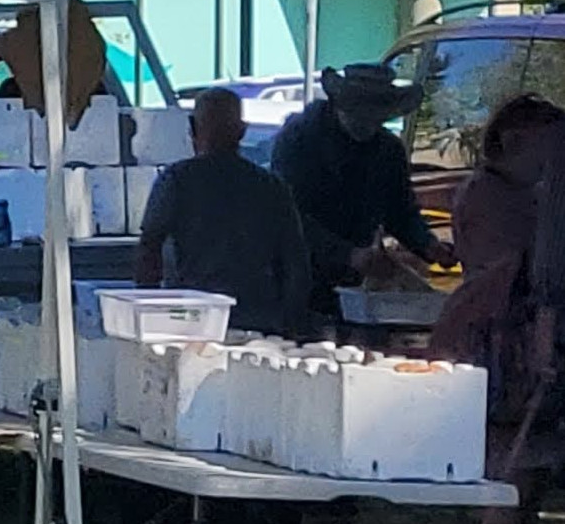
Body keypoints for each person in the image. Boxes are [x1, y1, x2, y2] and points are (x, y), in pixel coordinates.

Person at [137, 86, 315, 336]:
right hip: (260, 322)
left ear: (192, 128)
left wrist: (148, 314)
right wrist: (290, 325)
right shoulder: (272, 188)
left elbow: (149, 250)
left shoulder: (177, 180)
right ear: (242, 131)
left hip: (193, 320)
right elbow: (296, 266)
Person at [432, 95, 557, 437]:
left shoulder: (526, 194)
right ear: (513, 141)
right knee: (500, 437)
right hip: (494, 335)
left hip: (505, 331)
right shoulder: (487, 195)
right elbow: (498, 273)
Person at [270, 62, 441, 311]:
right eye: (359, 113)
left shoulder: (387, 149)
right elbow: (287, 215)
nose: (367, 124)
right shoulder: (299, 140)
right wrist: (346, 254)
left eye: (376, 117)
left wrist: (427, 244)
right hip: (297, 274)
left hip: (357, 283)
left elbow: (400, 210)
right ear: (339, 104)